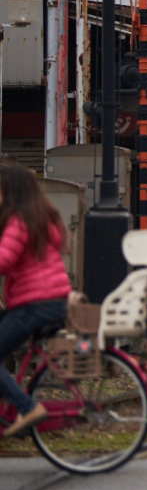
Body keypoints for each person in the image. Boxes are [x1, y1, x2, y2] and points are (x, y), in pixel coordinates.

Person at [0, 163, 73, 436]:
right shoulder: (41, 218)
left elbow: (4, 259)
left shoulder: (19, 222)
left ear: (11, 191)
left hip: (34, 305)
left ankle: (27, 407)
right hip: (51, 303)